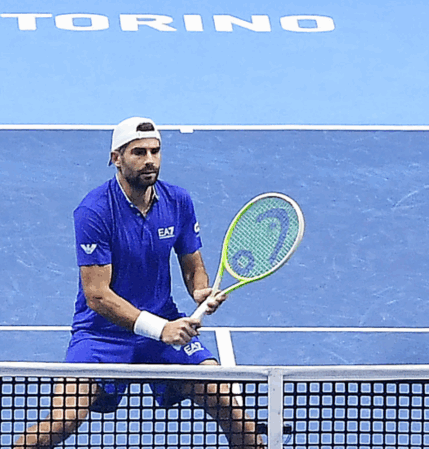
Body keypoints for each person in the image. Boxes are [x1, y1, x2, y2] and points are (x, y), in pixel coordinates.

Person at [15, 117, 264, 448]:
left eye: (155, 151)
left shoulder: (178, 201)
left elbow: (193, 267)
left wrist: (199, 291)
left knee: (226, 400)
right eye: (139, 152)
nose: (150, 160)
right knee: (64, 418)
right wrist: (160, 329)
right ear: (116, 158)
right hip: (102, 333)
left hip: (164, 324)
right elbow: (97, 296)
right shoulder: (95, 211)